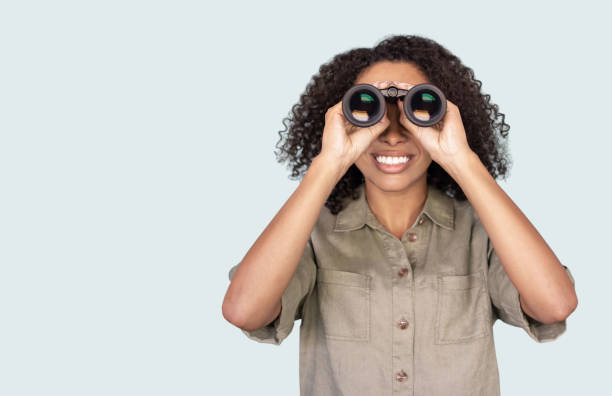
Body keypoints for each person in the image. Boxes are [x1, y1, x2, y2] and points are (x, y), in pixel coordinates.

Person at [221, 34, 577, 396]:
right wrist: (328, 164)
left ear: (443, 116)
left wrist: (461, 160)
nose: (392, 134)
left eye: (416, 108)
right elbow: (244, 311)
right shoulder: (311, 232)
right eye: (368, 109)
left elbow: (554, 305)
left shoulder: (481, 230)